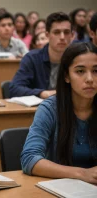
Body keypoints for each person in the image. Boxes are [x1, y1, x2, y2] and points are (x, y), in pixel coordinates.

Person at [21, 42, 97, 184]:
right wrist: (82, 173)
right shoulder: (50, 109)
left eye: (96, 71)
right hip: (60, 188)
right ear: (66, 76)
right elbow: (29, 159)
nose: (90, 79)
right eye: (80, 71)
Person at [9, 12, 73, 98]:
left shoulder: (78, 59)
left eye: (66, 32)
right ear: (47, 35)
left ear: (72, 36)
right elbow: (14, 89)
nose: (62, 37)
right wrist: (43, 93)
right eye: (56, 32)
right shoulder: (32, 58)